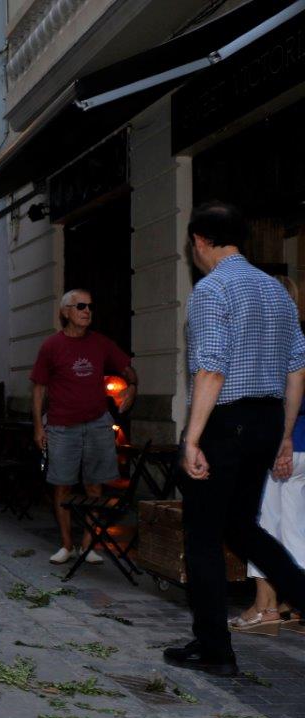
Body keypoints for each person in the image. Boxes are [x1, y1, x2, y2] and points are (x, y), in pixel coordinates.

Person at [167, 202, 305, 675]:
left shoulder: (212, 290)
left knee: (202, 536)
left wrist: (193, 438)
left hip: (227, 421)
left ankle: (214, 650)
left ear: (200, 241)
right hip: (267, 421)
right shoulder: (277, 291)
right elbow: (296, 368)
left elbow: (211, 368)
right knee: (242, 528)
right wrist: (284, 435)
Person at [31, 289, 138, 565]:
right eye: (80, 306)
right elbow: (39, 389)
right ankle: (67, 545)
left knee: (95, 486)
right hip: (62, 426)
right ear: (66, 311)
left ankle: (89, 545)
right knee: (62, 486)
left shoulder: (100, 343)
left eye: (90, 306)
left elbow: (127, 368)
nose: (87, 311)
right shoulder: (51, 346)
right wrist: (38, 428)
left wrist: (132, 388)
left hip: (97, 424)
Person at [229, 276, 305, 635]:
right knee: (295, 528)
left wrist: (281, 440)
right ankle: (293, 604)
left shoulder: (271, 341)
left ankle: (264, 607)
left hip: (282, 446)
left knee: (263, 525)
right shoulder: (300, 335)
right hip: (304, 447)